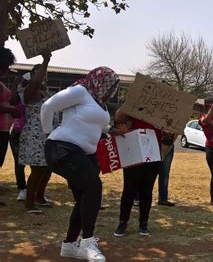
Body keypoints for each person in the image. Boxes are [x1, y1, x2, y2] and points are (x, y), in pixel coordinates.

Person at [42, 66, 120, 261]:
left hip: (84, 154)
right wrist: (46, 133)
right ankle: (87, 242)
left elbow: (97, 126)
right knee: (93, 187)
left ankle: (68, 246)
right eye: (110, 86)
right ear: (100, 81)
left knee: (84, 198)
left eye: (114, 88)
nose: (112, 91)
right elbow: (48, 106)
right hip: (63, 149)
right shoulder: (80, 91)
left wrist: (111, 130)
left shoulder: (99, 102)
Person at [113, 111, 162, 237]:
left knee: (147, 191)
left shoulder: (162, 111)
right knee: (129, 190)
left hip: (153, 154)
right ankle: (122, 222)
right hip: (133, 151)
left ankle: (143, 223)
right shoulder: (135, 107)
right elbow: (118, 117)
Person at [19, 55, 53, 213]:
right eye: (40, 73)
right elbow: (36, 82)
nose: (43, 75)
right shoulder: (30, 91)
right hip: (35, 134)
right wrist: (46, 61)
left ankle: (39, 196)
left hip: (45, 134)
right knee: (37, 169)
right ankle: (29, 202)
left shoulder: (43, 91)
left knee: (48, 167)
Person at [0, 47, 21, 206]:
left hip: (4, 129)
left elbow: (12, 100)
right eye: (5, 67)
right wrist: (10, 110)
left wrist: (15, 85)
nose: (6, 70)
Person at [10, 73, 32, 201]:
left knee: (36, 163)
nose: (25, 85)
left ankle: (33, 188)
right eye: (24, 82)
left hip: (32, 132)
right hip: (18, 132)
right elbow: (12, 101)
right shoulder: (18, 95)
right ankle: (22, 189)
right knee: (19, 163)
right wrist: (14, 85)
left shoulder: (37, 95)